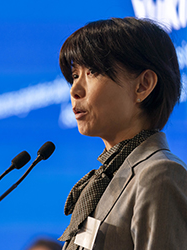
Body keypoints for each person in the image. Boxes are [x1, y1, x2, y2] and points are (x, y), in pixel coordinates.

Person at [57, 17, 187, 249]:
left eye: (93, 71)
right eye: (75, 75)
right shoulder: (100, 181)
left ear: (143, 85)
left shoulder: (160, 174)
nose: (75, 90)